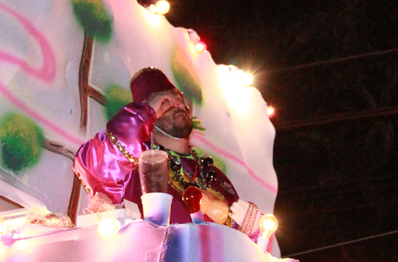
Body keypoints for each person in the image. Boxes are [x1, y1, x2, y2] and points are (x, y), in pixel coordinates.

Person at [75, 67, 262, 236]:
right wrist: (144, 113)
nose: (177, 105)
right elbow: (94, 165)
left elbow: (239, 256)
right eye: (165, 102)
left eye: (179, 99)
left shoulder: (215, 176)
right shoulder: (134, 167)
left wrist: (254, 232)